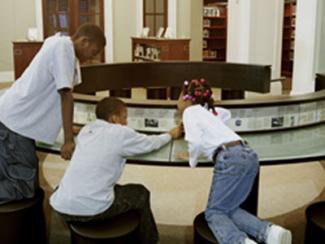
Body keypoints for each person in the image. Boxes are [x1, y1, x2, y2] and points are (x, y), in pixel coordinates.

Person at [50, 97, 182, 244]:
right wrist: (171, 134)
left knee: (68, 187)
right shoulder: (120, 133)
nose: (126, 122)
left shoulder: (87, 130)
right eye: (124, 117)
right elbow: (151, 143)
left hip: (61, 207)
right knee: (140, 193)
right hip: (93, 209)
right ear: (114, 118)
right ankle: (150, 240)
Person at [0, 23, 106, 204]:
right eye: (94, 51)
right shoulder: (63, 49)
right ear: (84, 41)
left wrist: (68, 127)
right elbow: (65, 95)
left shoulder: (58, 42)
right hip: (15, 124)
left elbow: (50, 91)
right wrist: (68, 141)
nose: (93, 57)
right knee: (22, 186)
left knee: (11, 174)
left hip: (11, 116)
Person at [177, 79, 292, 244]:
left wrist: (192, 160)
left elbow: (195, 142)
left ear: (187, 98)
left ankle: (239, 241)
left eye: (179, 96)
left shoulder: (189, 112)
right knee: (228, 208)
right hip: (249, 154)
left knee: (214, 213)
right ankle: (270, 233)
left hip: (230, 158)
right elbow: (226, 114)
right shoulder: (209, 113)